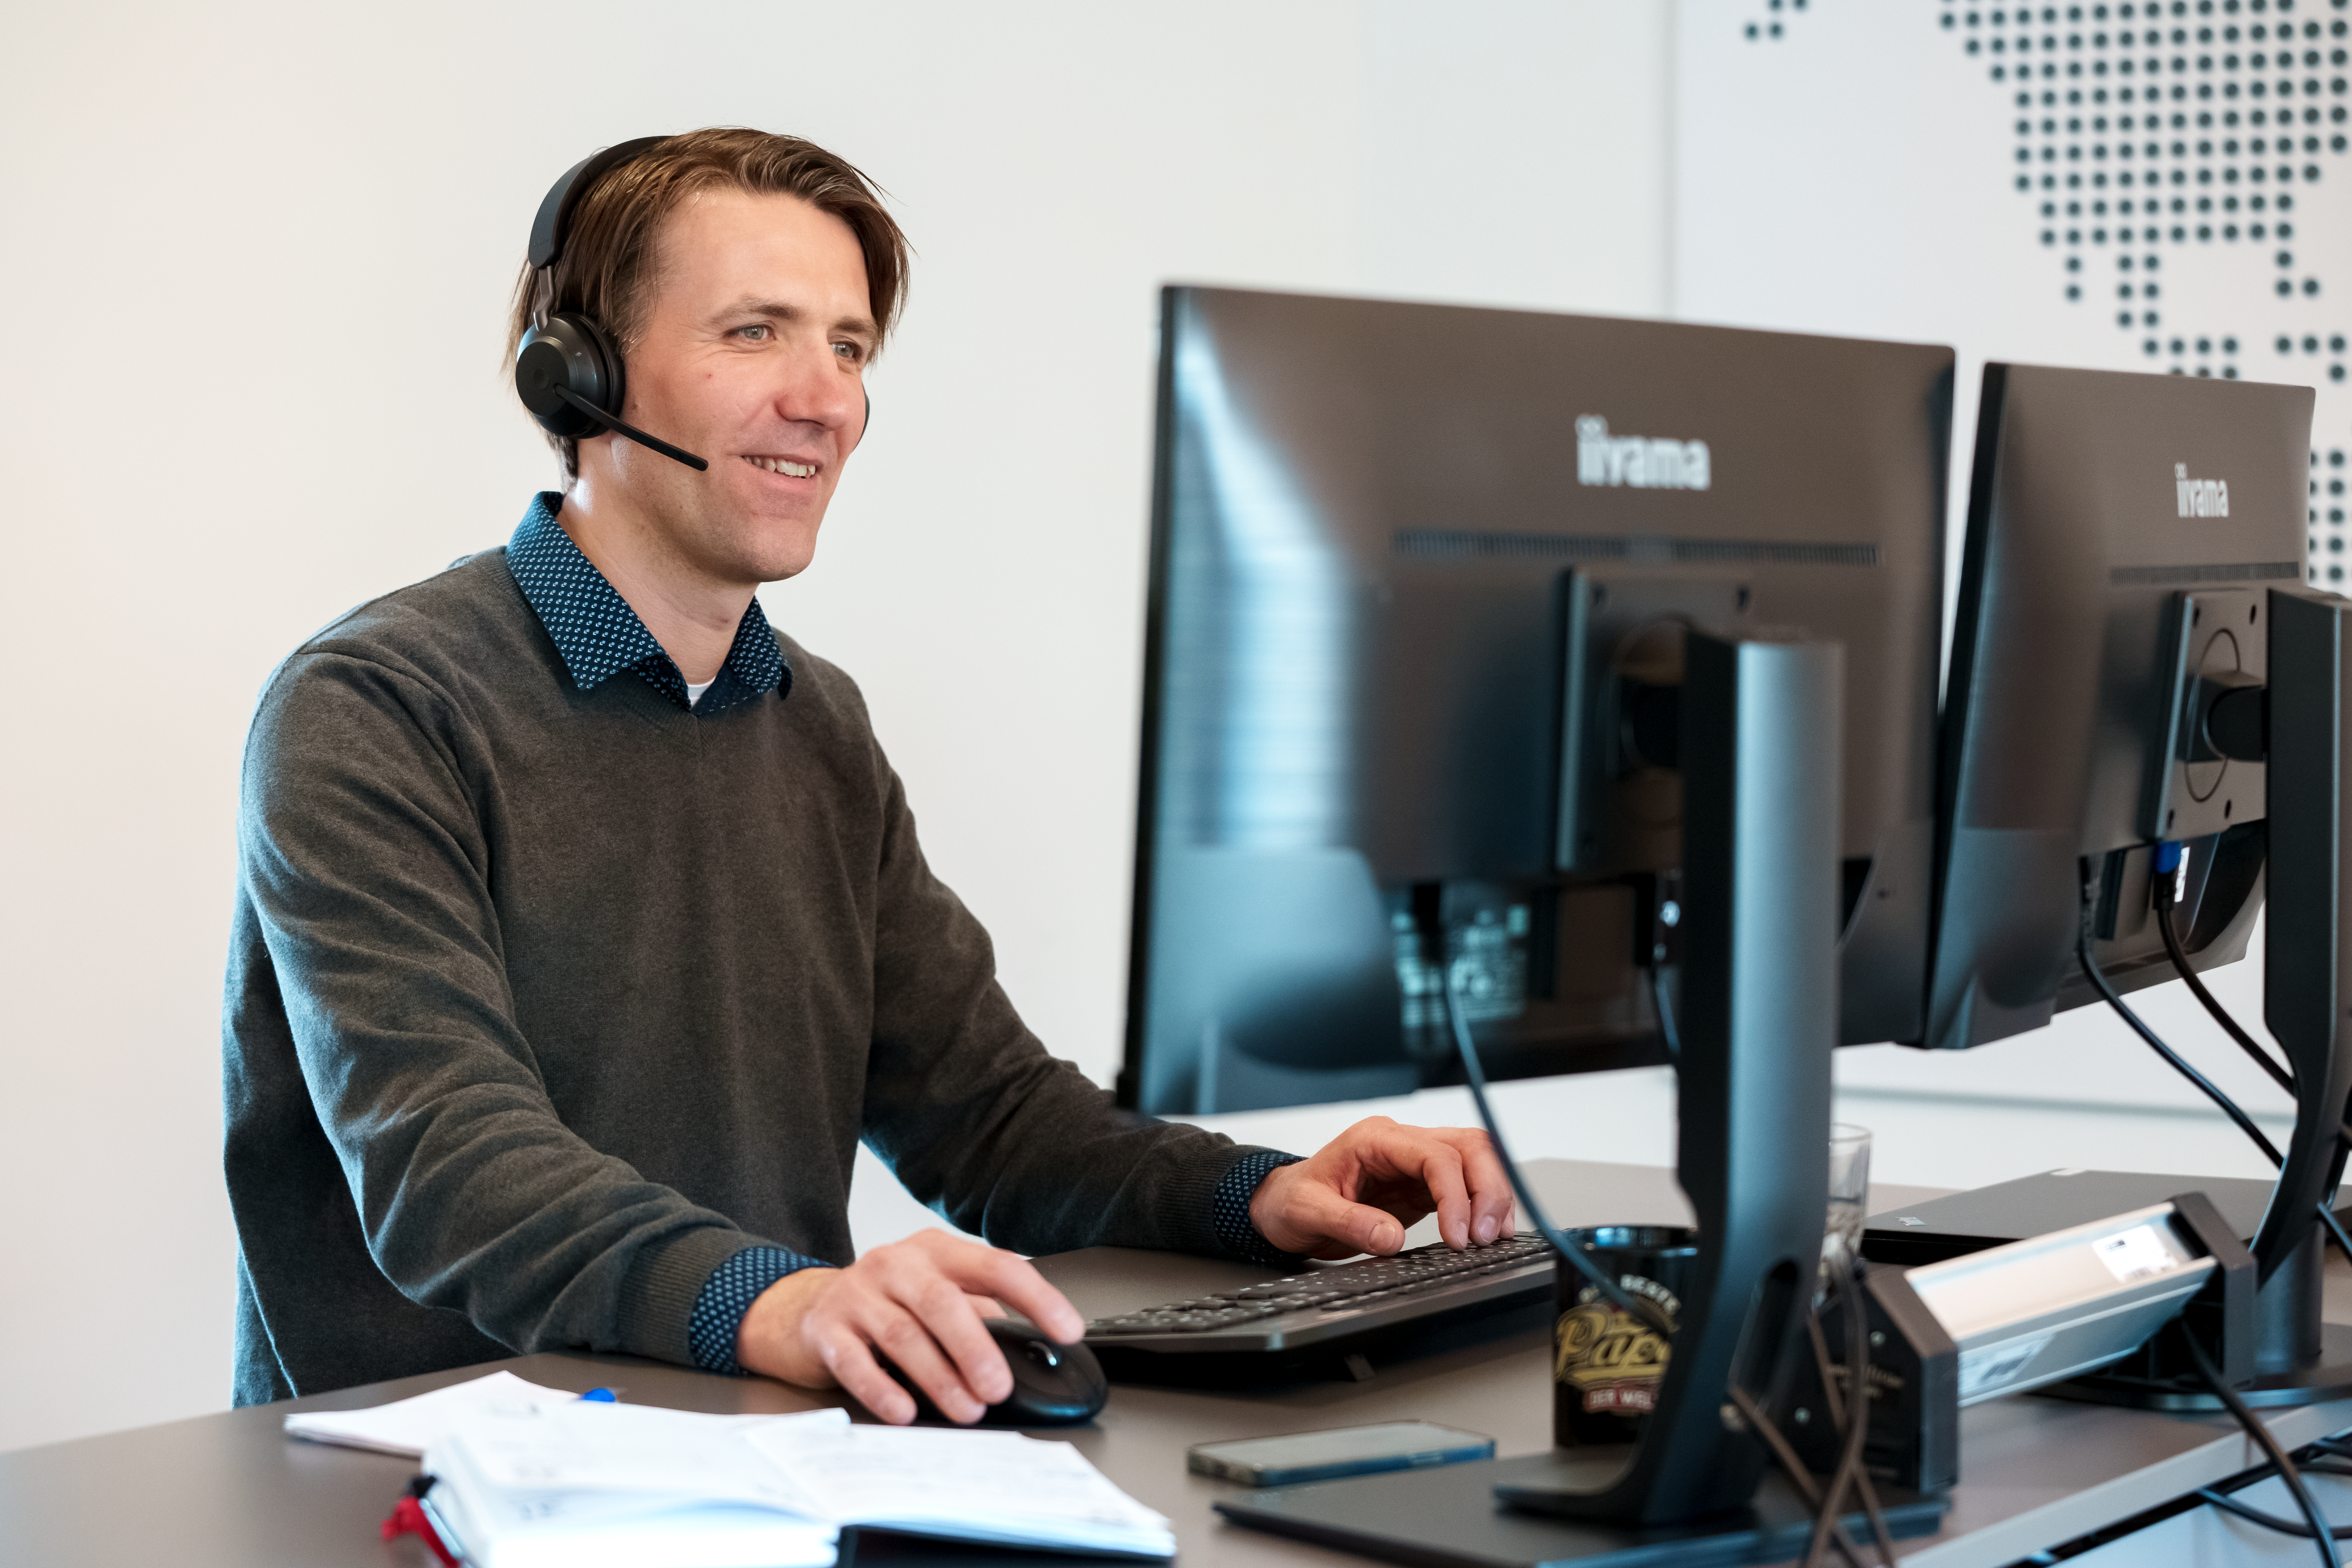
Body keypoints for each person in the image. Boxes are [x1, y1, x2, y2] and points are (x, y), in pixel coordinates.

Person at [223, 128, 1515, 1426]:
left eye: (847, 347)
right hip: (421, 1483)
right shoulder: (377, 708)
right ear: (579, 377)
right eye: (756, 332)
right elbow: (449, 1163)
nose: (825, 399)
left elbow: (993, 1119)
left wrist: (1258, 1197)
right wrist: (782, 1303)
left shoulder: (814, 723)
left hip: (744, 1452)